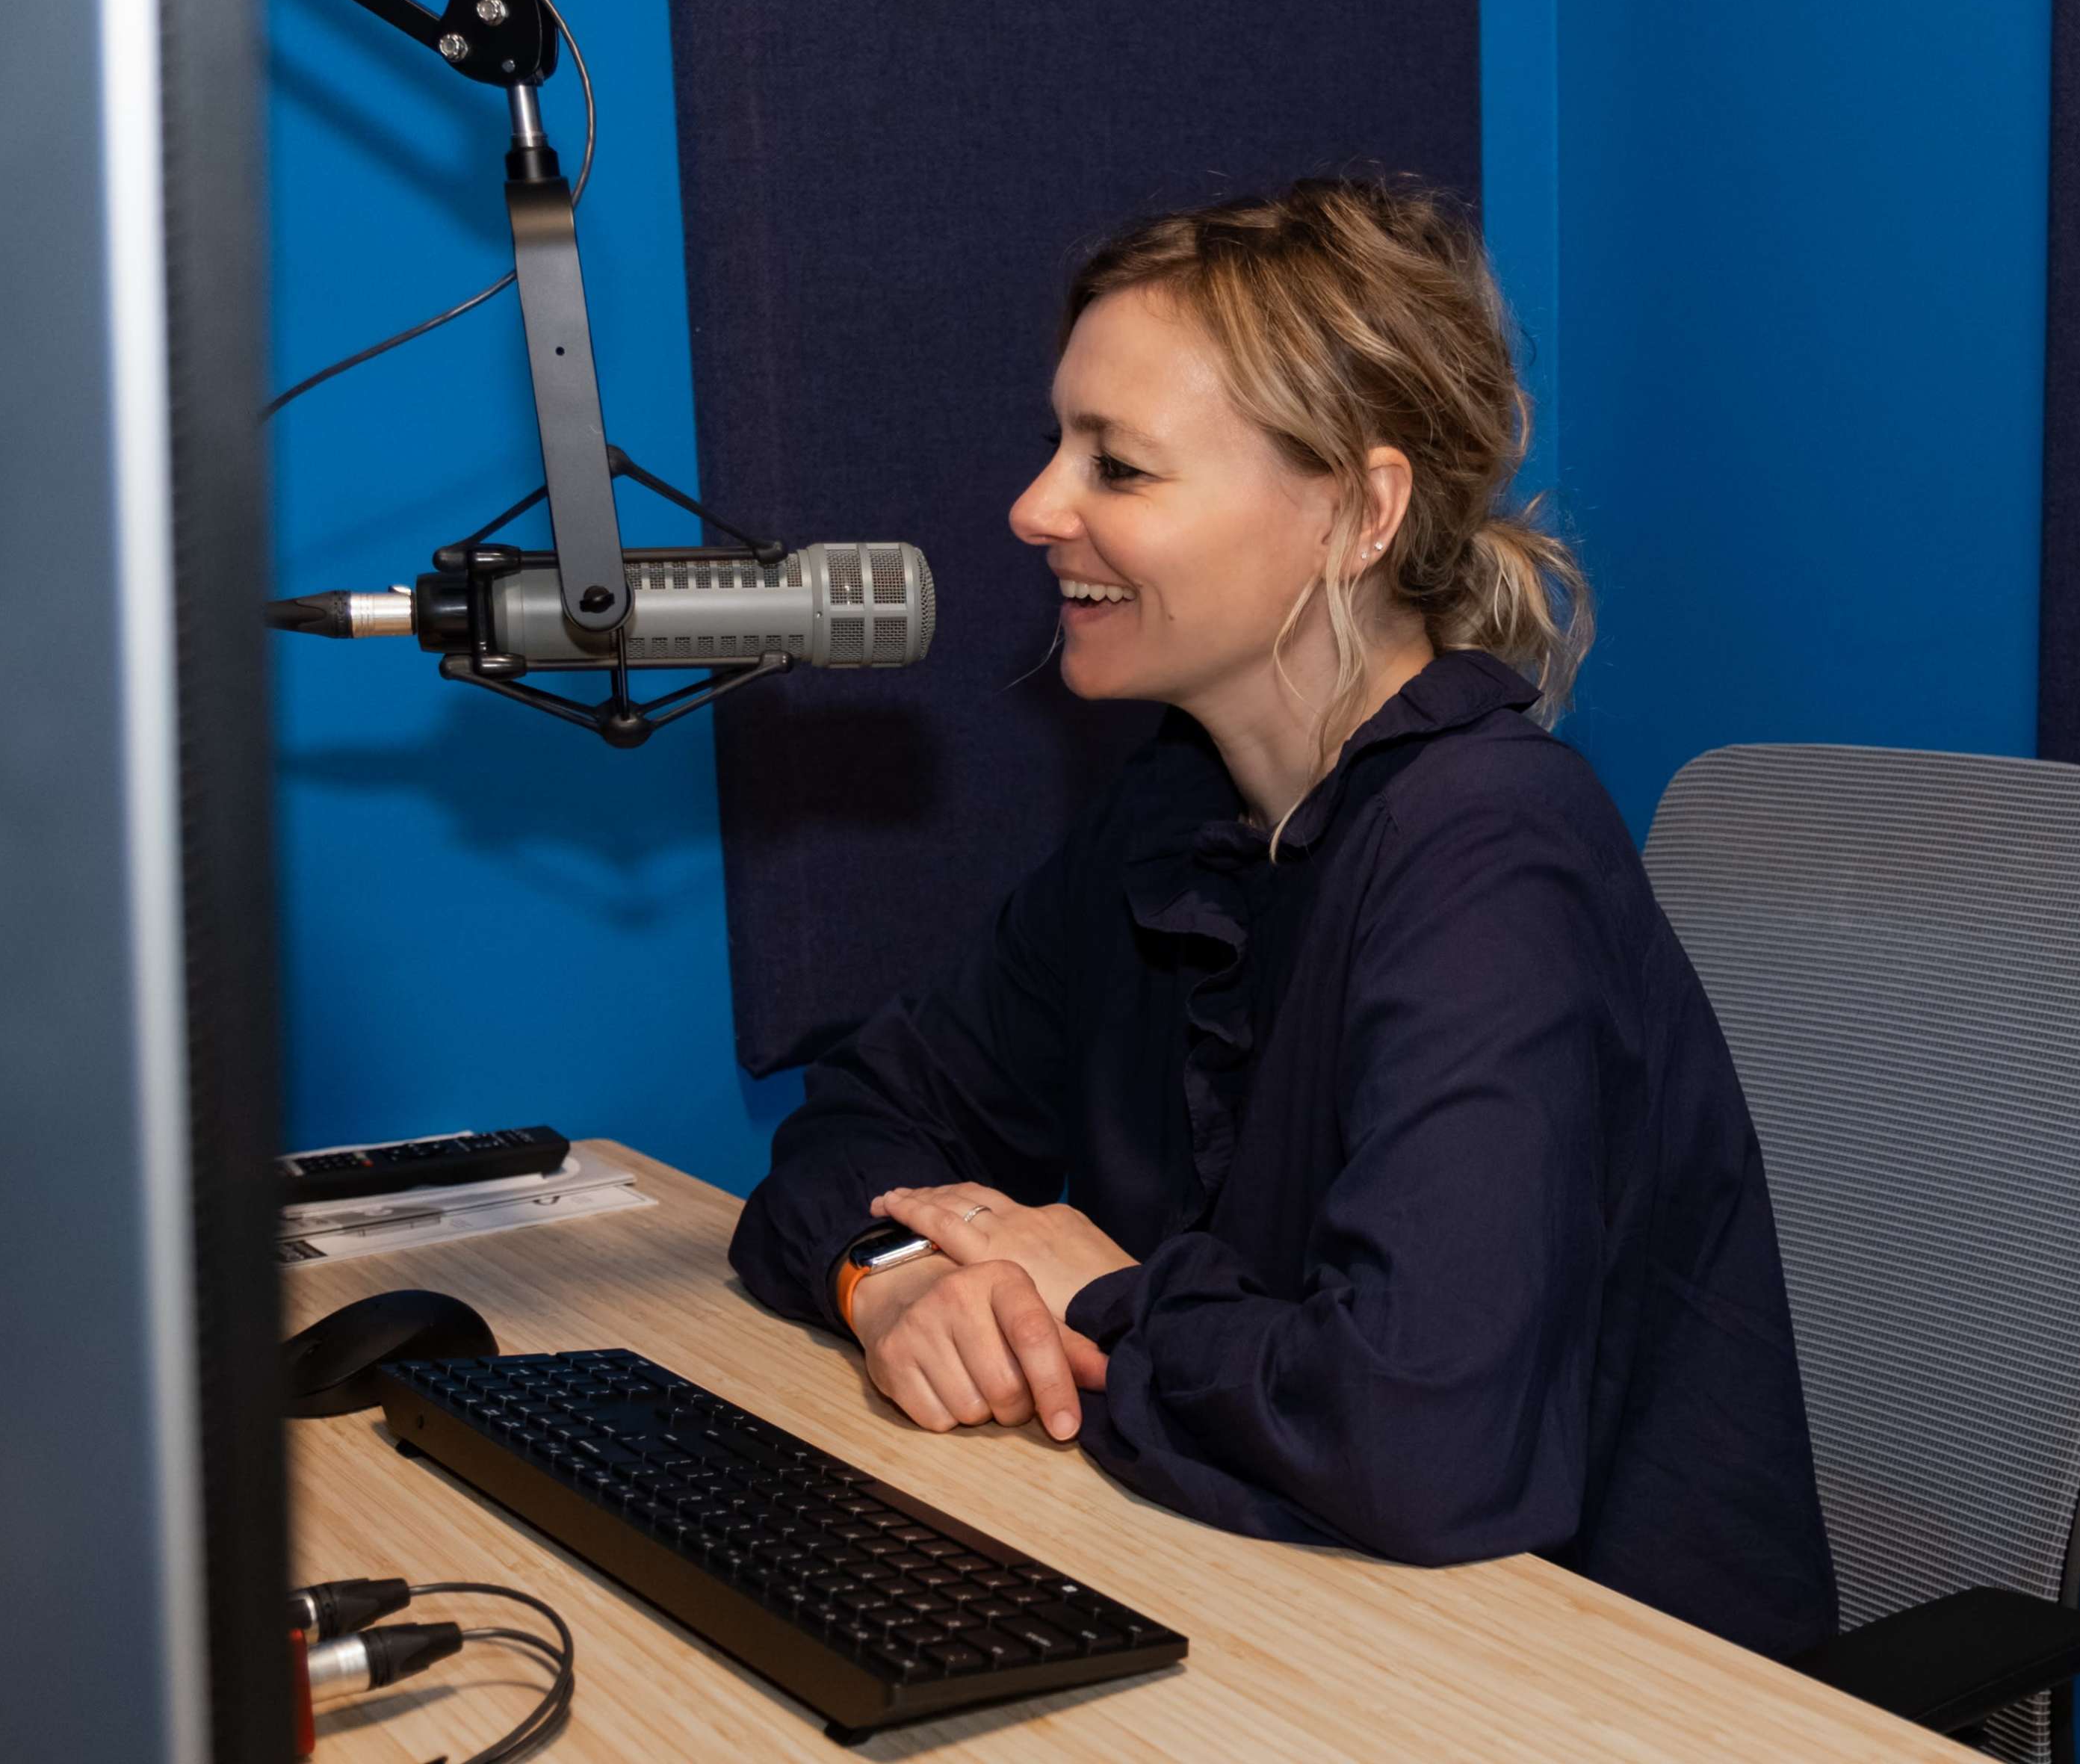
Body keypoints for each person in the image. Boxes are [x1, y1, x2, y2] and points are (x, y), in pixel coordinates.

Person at [728, 177, 1837, 1656]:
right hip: (1293, 1615)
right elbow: (857, 1116)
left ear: (1359, 511)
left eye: (1117, 466)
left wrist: (1111, 1296)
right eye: (1061, 444)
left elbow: (1423, 1433)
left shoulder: (1493, 850)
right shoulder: (1170, 810)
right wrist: (896, 1274)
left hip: (1598, 1686)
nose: (1033, 507)